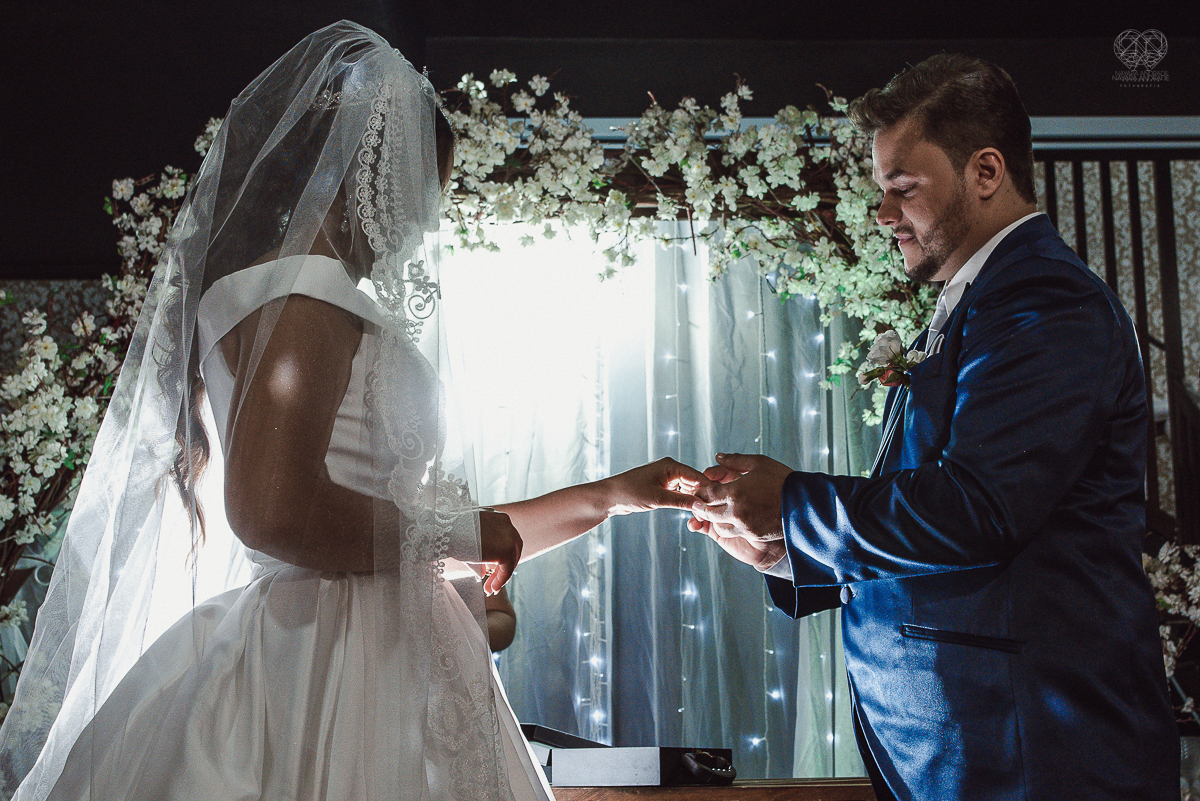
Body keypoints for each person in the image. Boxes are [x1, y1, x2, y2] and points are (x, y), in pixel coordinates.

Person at [0, 21, 701, 801]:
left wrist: (612, 496)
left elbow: (395, 531)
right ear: (364, 171)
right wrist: (458, 534)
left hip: (361, 641)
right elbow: (271, 511)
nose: (425, 222)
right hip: (330, 666)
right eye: (422, 188)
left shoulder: (300, 298)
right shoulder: (301, 299)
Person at [688, 54, 1178, 799]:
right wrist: (787, 550)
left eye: (904, 187)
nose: (883, 214)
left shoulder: (1046, 301)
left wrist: (794, 505)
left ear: (986, 171)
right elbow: (945, 521)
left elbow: (979, 508)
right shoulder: (984, 299)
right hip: (977, 749)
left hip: (1032, 751)